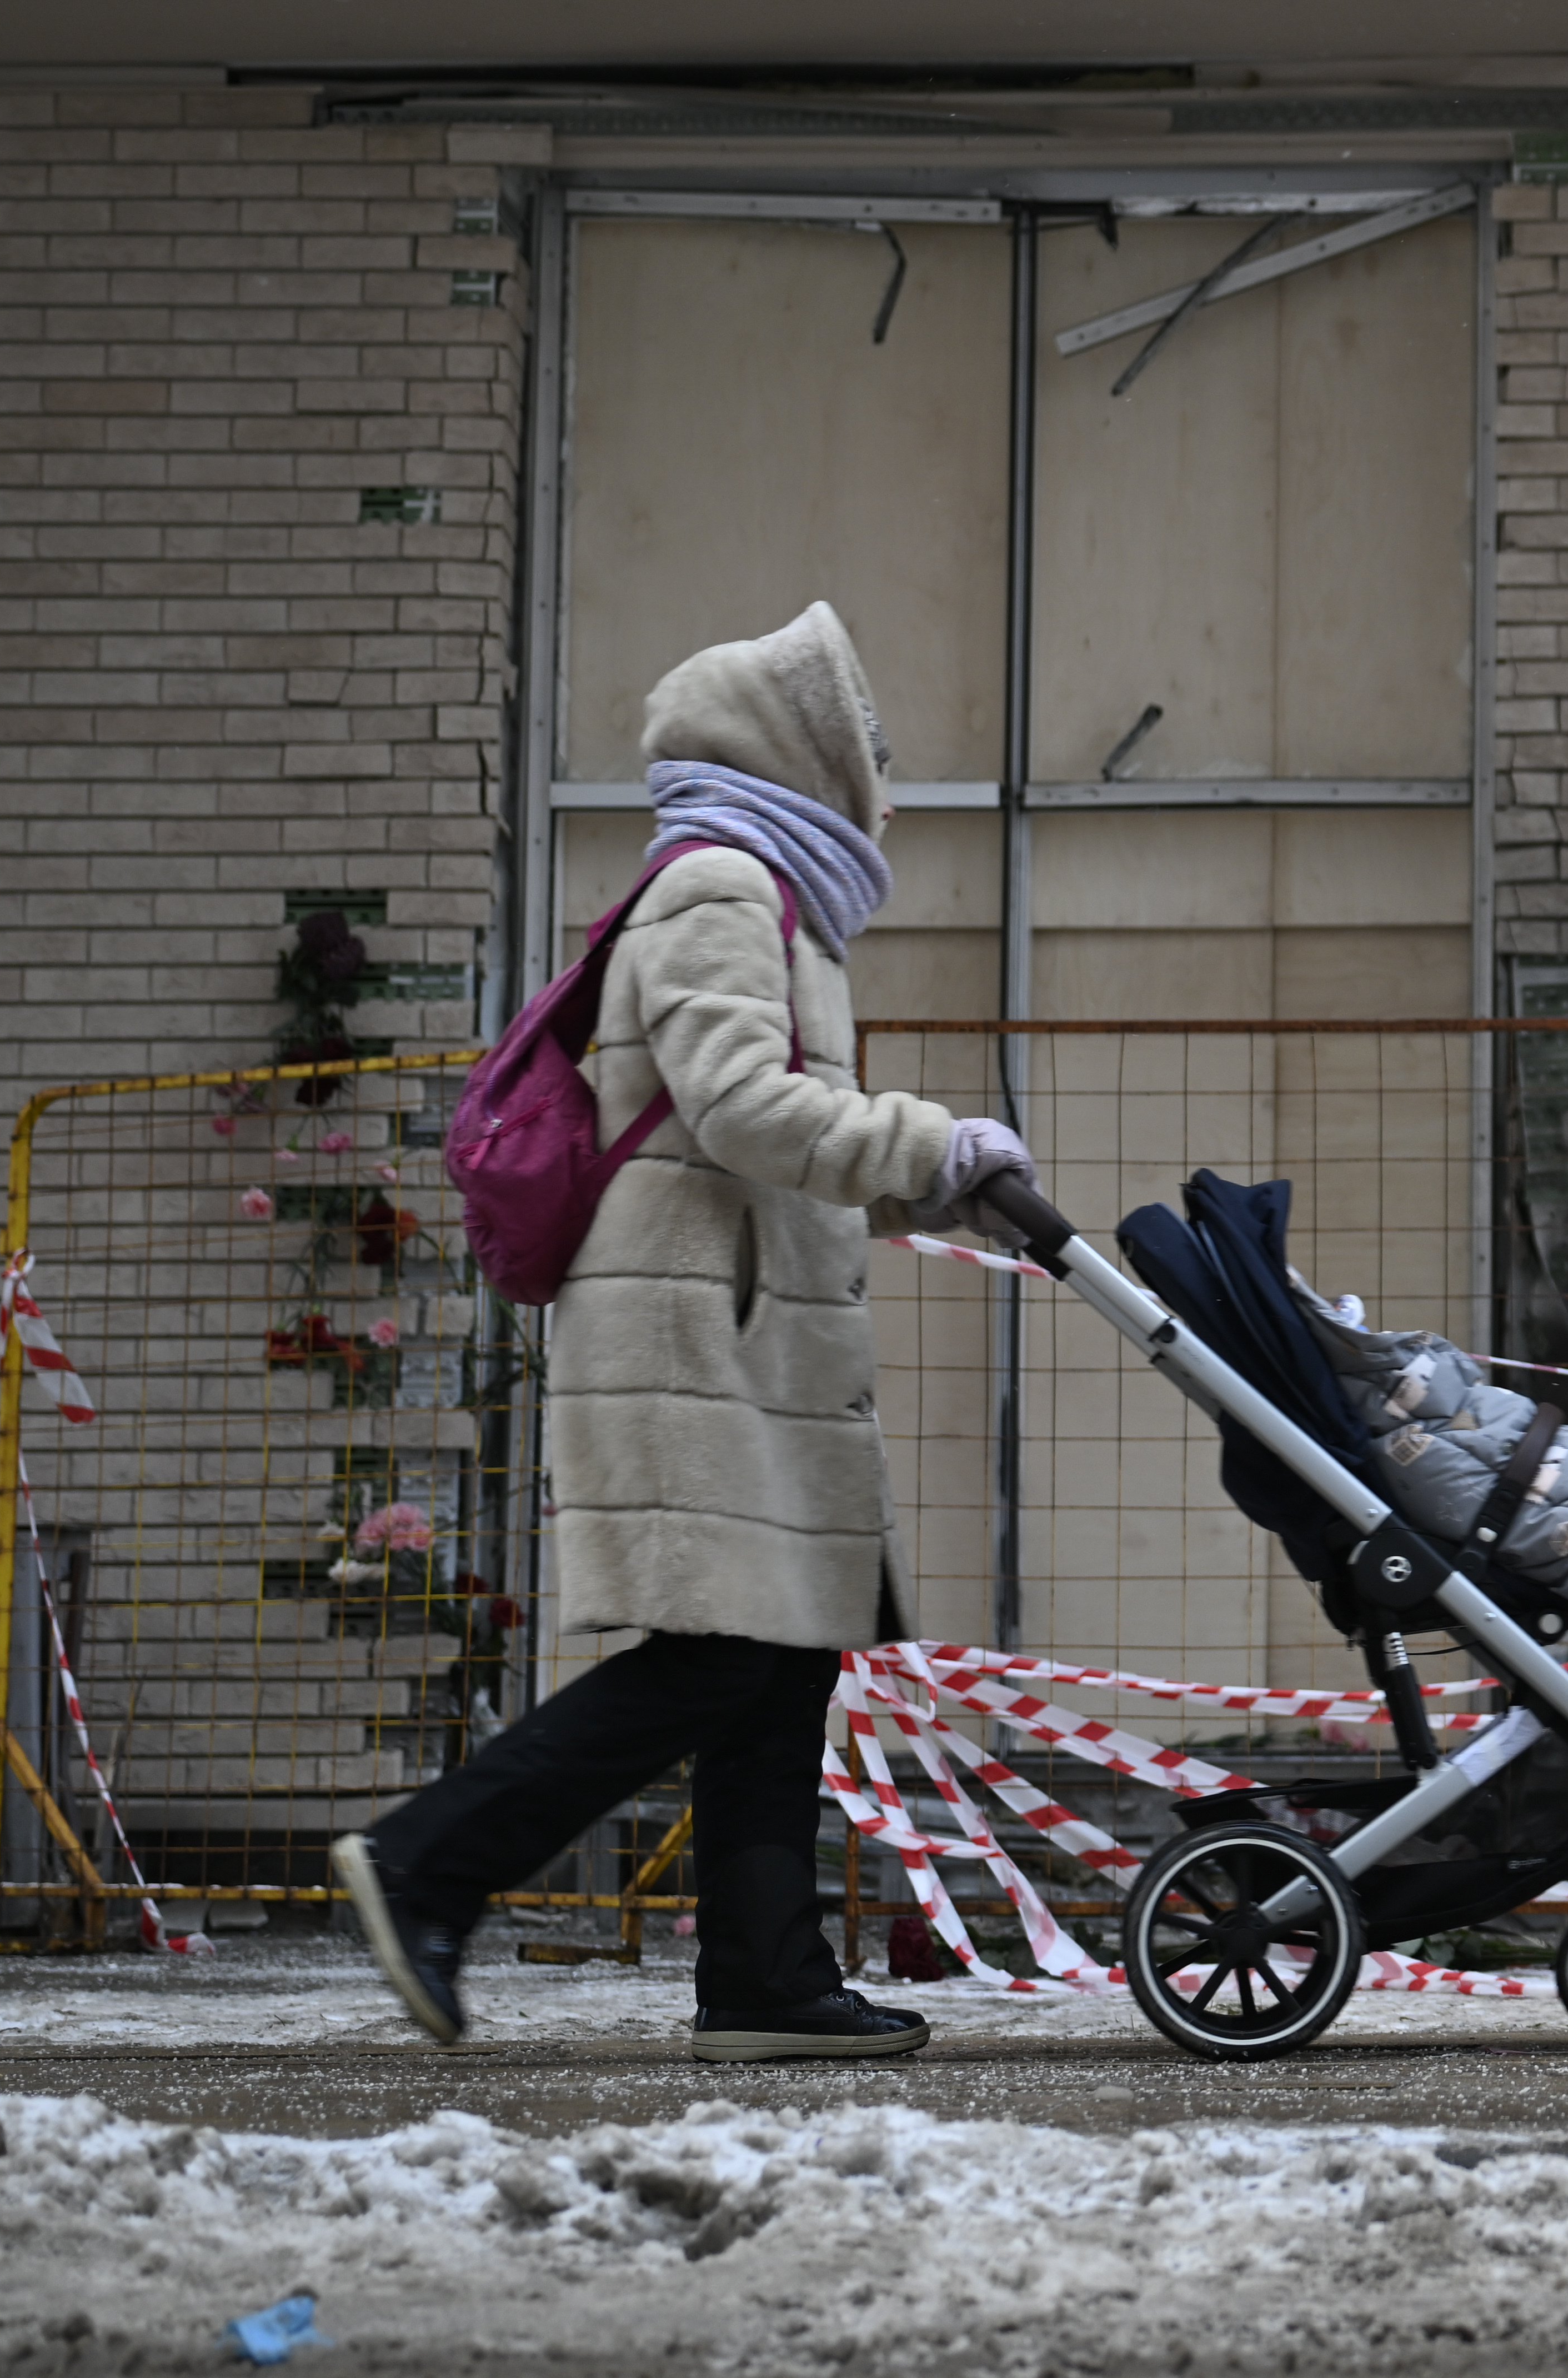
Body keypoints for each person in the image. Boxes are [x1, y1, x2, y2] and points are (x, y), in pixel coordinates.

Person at [334, 602, 1035, 2062]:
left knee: (785, 1654)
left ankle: (764, 1980)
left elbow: (761, 1144)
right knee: (724, 1655)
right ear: (809, 751)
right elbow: (736, 1106)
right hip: (698, 1344)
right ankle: (425, 1863)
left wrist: (944, 1188)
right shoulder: (723, 884)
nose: (888, 784)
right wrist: (928, 1142)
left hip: (742, 1341)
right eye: (875, 752)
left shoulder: (763, 891)